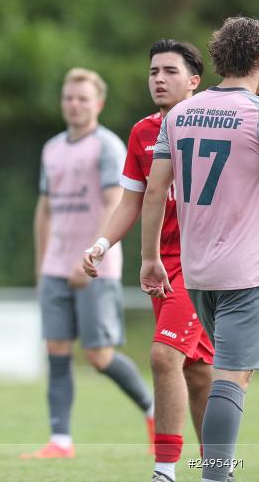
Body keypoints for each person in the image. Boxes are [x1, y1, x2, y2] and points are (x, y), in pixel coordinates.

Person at [83, 39, 214, 482]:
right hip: (161, 266)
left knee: (162, 356)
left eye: (170, 71)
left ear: (195, 81)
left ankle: (164, 471)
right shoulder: (142, 133)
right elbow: (130, 203)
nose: (158, 78)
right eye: (154, 71)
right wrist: (101, 244)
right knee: (197, 373)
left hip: (205, 262)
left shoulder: (215, 125)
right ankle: (218, 471)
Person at [141, 16, 259, 482]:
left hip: (196, 271)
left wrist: (150, 257)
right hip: (245, 272)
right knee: (231, 378)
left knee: (222, 373)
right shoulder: (254, 115)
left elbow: (155, 192)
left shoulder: (180, 115)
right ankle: (216, 477)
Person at [23, 68, 154, 459]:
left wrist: (90, 257)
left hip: (96, 267)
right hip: (55, 268)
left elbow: (118, 202)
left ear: (98, 103)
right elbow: (44, 211)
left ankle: (153, 409)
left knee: (98, 356)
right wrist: (41, 265)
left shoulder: (108, 146)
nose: (74, 104)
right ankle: (60, 441)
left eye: (82, 98)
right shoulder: (51, 149)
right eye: (68, 97)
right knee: (56, 349)